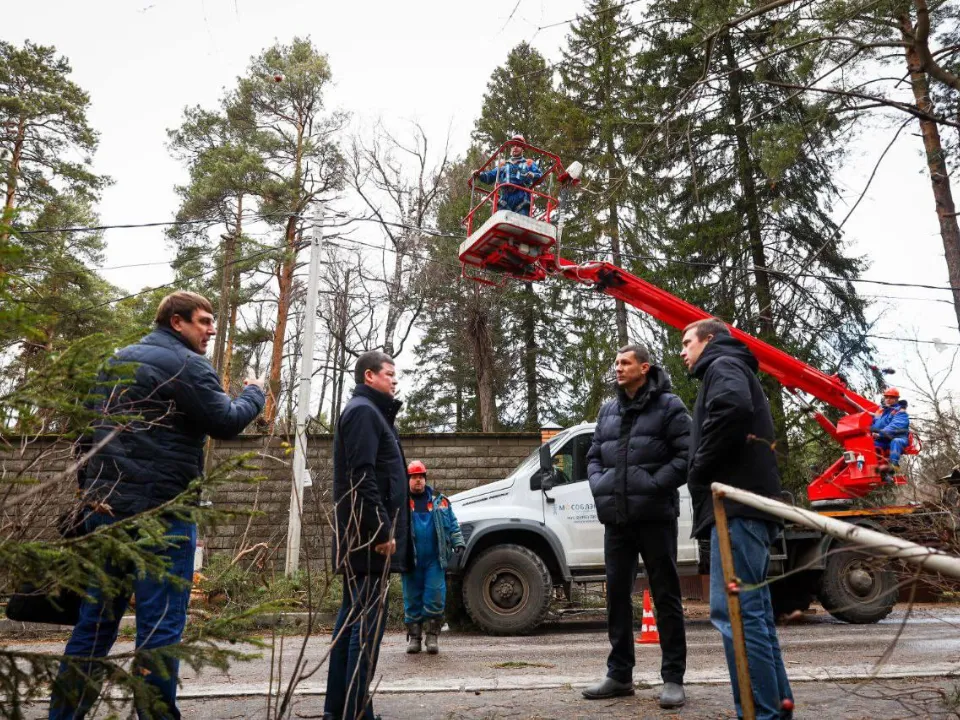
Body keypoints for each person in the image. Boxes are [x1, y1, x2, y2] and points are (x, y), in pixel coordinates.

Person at [49, 291, 266, 720]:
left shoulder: (115, 362)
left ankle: (63, 716)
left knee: (93, 624)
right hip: (162, 516)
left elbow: (89, 437)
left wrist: (90, 496)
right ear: (176, 322)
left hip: (105, 513)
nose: (211, 330)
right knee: (161, 626)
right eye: (204, 321)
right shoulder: (187, 364)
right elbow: (224, 420)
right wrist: (254, 394)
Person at [680, 318, 794, 720]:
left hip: (737, 508)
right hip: (747, 507)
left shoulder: (722, 364)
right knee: (755, 618)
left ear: (709, 340)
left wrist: (699, 468)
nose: (683, 351)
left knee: (738, 616)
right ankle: (773, 711)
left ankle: (761, 714)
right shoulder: (732, 365)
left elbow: (731, 409)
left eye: (687, 342)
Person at [582, 344, 691, 709]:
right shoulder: (608, 410)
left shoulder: (670, 406)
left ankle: (673, 678)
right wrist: (600, 484)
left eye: (625, 363)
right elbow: (594, 455)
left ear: (644, 367)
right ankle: (619, 675)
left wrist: (653, 483)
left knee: (666, 596)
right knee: (615, 595)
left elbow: (686, 455)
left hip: (656, 516)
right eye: (615, 363)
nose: (618, 368)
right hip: (617, 519)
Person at [325, 350, 411, 720]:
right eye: (389, 374)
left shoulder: (373, 413)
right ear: (369, 377)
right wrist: (380, 529)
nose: (395, 380)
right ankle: (357, 713)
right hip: (368, 539)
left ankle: (340, 711)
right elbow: (361, 476)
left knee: (351, 624)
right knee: (364, 631)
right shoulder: (363, 412)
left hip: (364, 537)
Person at [401, 460, 466, 655]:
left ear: (425, 479)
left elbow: (453, 524)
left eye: (420, 477)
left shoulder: (441, 502)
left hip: (435, 560)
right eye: (413, 477)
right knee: (412, 598)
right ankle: (415, 638)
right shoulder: (402, 503)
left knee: (435, 597)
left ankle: (431, 638)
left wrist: (458, 542)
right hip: (410, 560)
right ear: (408, 480)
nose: (417, 481)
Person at [472, 134, 543, 216]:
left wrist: (533, 175)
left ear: (523, 148)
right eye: (513, 145)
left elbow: (540, 177)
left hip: (522, 197)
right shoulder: (503, 165)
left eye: (518, 145)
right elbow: (490, 176)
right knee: (501, 220)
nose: (515, 147)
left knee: (520, 222)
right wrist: (479, 174)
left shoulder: (529, 163)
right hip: (505, 198)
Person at [871, 387, 910, 470]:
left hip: (898, 438)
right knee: (867, 445)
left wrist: (880, 434)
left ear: (896, 399)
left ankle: (894, 466)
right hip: (883, 440)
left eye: (891, 397)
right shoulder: (881, 412)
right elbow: (874, 424)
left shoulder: (900, 412)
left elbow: (895, 426)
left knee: (896, 442)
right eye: (886, 397)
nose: (888, 399)